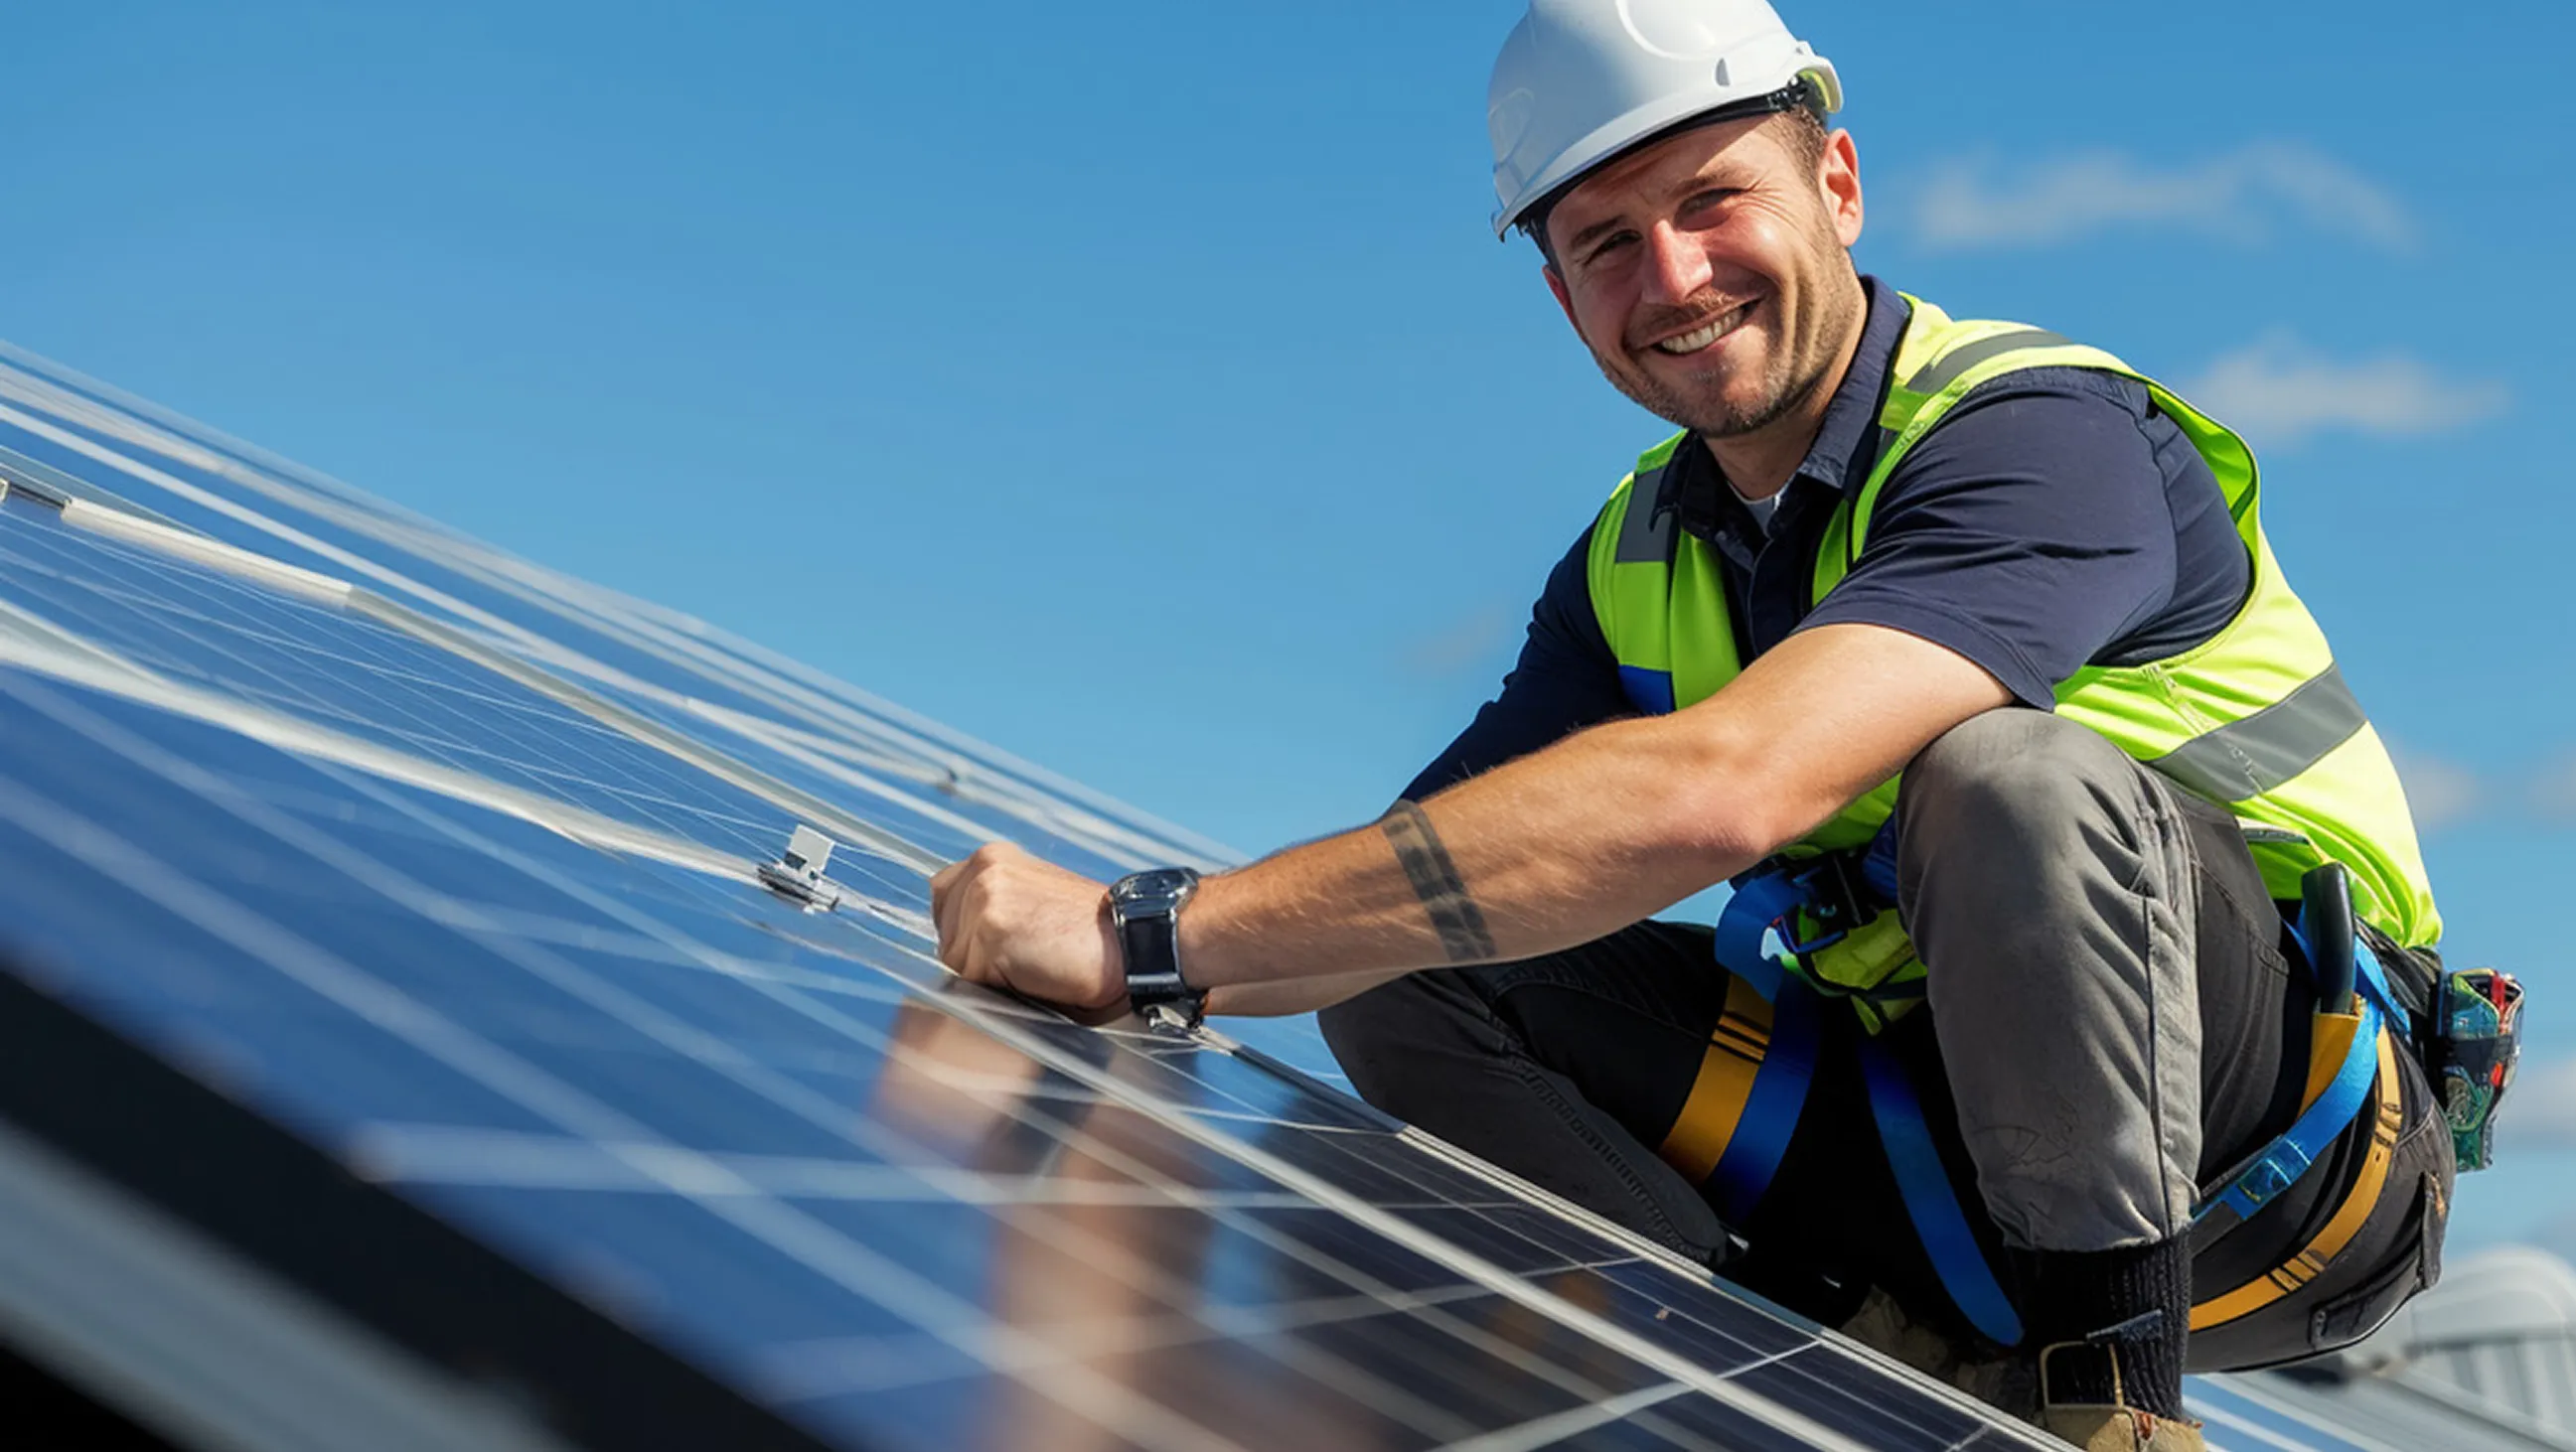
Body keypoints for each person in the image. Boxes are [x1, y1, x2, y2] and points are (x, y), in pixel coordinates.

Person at [930, 2, 2457, 1446]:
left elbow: (1740, 785)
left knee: (2010, 781)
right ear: (1561, 295)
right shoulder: (1634, 562)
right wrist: (1093, 985)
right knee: (1416, 955)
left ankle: (2111, 1409)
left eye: (1713, 201)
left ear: (1838, 184)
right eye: (1607, 241)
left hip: (2282, 1151)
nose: (1672, 278)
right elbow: (1416, 873)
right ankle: (1815, 1389)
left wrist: (1148, 931)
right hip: (1937, 1168)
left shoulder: (2038, 437)